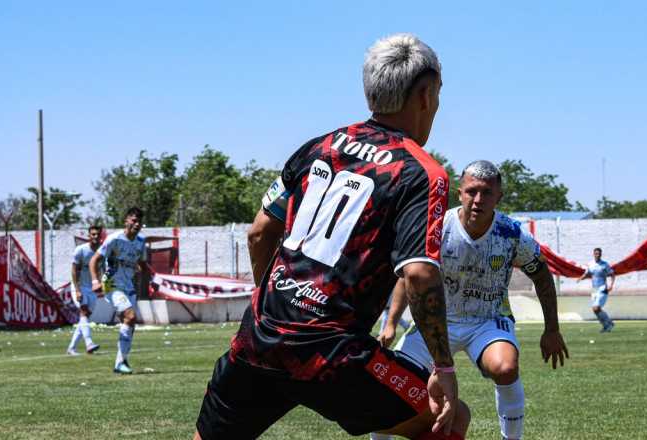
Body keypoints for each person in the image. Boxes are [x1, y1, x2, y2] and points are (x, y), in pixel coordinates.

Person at [193, 33, 471, 440]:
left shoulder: (318, 147)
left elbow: (258, 233)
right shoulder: (422, 172)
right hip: (334, 354)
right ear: (426, 95)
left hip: (260, 338)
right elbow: (418, 276)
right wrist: (444, 369)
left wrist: (278, 302)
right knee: (448, 418)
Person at [377, 160, 569, 440]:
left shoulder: (512, 234)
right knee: (391, 387)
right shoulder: (437, 228)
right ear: (460, 193)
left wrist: (551, 329)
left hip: (488, 321)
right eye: (472, 191)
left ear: (499, 197)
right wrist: (391, 322)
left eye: (487, 193)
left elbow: (541, 275)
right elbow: (410, 276)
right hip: (437, 322)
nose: (478, 199)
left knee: (506, 368)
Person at [90, 207, 148, 374]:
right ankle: (120, 363)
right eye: (133, 220)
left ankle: (120, 362)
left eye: (139, 221)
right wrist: (95, 281)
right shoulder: (114, 239)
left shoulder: (140, 242)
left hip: (129, 286)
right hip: (112, 285)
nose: (136, 224)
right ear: (126, 221)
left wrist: (149, 279)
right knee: (130, 316)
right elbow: (95, 260)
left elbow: (142, 264)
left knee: (130, 323)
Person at [66, 225, 103, 356]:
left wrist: (101, 285)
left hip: (91, 287)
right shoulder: (80, 250)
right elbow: (74, 271)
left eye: (97, 234)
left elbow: (101, 270)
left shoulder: (101, 252)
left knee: (85, 318)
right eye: (93, 234)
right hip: (79, 286)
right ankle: (89, 343)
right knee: (84, 311)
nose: (95, 236)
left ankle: (71, 348)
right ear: (89, 236)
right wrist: (77, 290)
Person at [578, 247, 616, 332]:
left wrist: (611, 285)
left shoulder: (605, 264)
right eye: (596, 253)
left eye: (599, 253)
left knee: (596, 308)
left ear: (601, 254)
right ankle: (607, 324)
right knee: (595, 310)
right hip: (594, 289)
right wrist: (581, 278)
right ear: (593, 254)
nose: (597, 255)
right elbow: (587, 274)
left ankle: (608, 324)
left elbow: (612, 274)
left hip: (602, 288)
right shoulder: (590, 264)